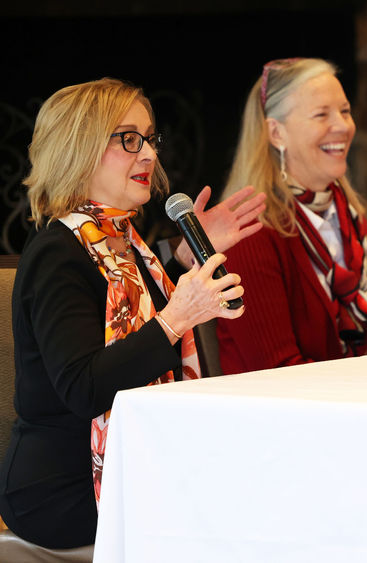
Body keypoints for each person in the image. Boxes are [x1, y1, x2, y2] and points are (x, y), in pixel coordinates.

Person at [0, 78, 266, 549]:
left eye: (148, 139)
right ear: (78, 148)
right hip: (60, 488)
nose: (148, 154)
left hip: (136, 462)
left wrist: (183, 258)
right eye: (128, 139)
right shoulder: (56, 253)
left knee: (261, 476)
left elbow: (125, 322)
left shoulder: (125, 247)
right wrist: (176, 318)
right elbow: (85, 387)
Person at [217, 58, 367, 373]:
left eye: (344, 111)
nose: (343, 126)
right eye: (321, 115)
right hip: (294, 414)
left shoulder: (346, 212)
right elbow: (279, 371)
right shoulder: (250, 230)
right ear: (276, 133)